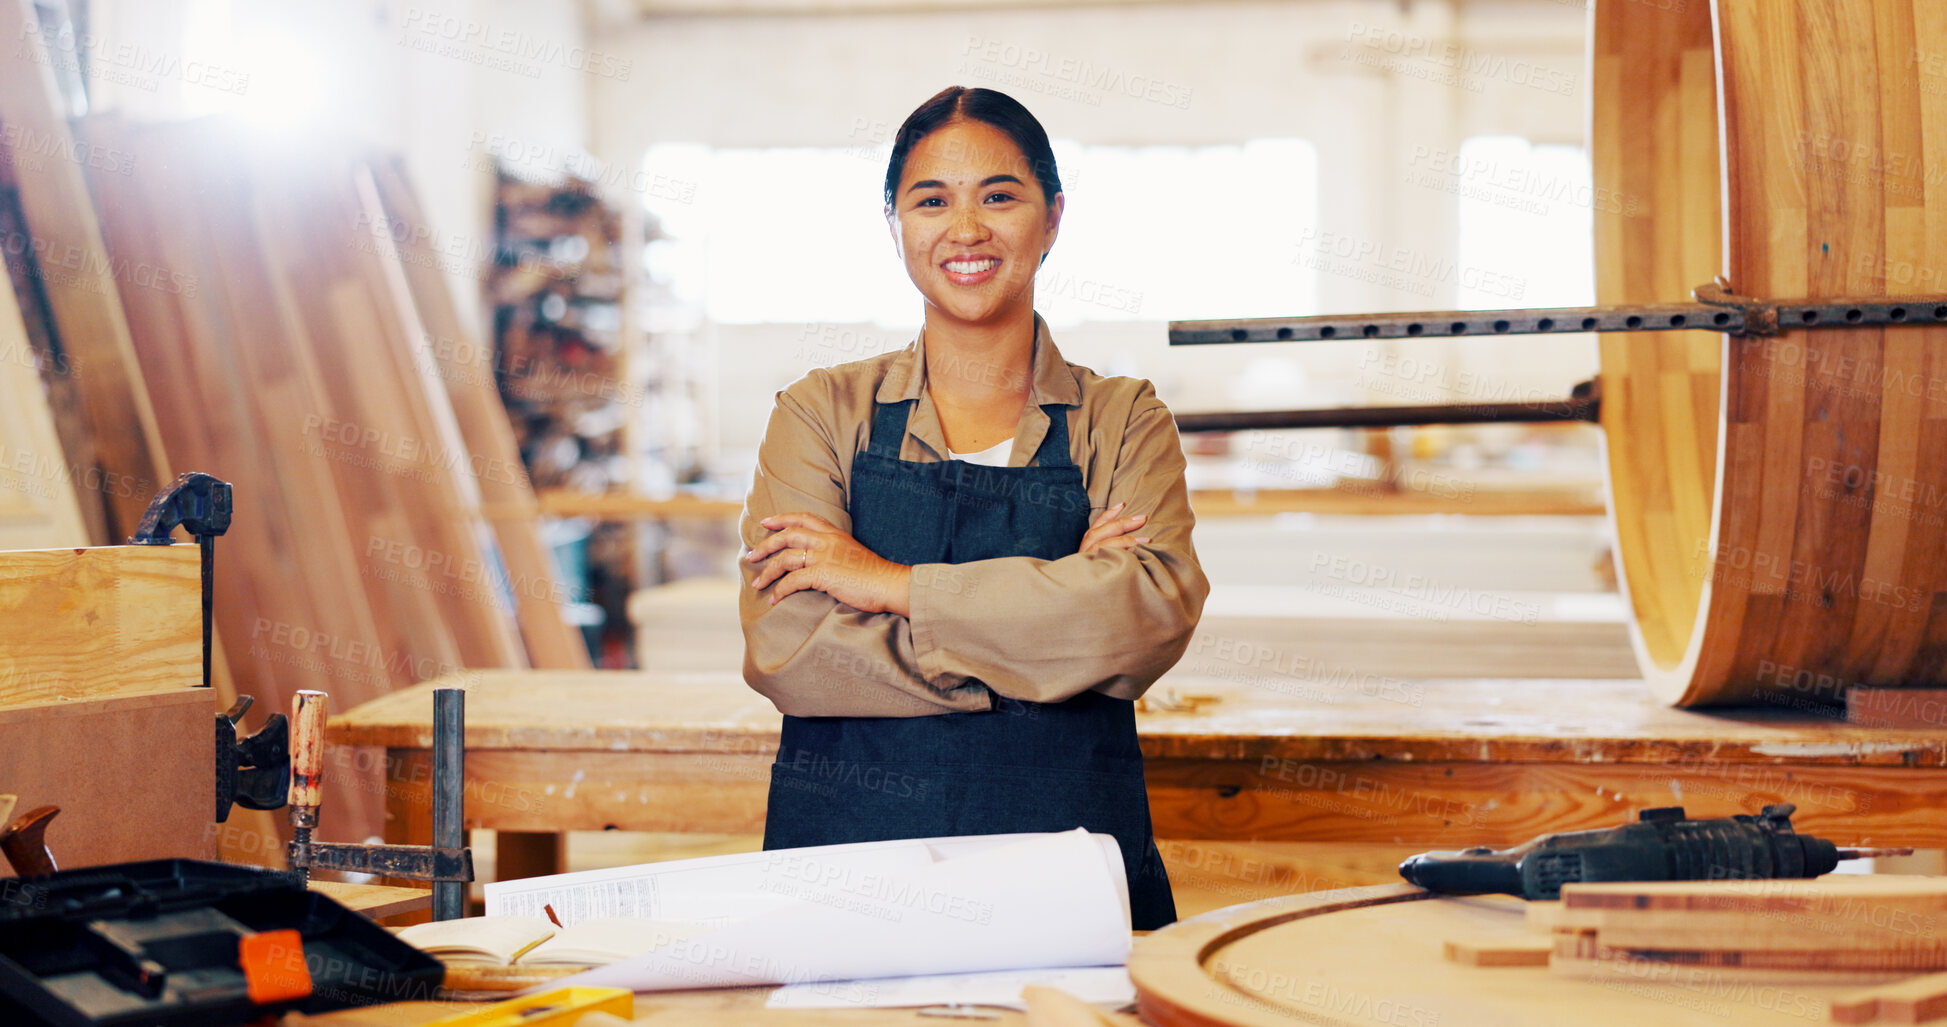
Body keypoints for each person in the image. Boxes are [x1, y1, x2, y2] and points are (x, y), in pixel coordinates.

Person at [738, 85, 1208, 929]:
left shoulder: (1123, 419)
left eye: (999, 195)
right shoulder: (818, 412)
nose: (965, 229)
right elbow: (791, 648)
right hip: (848, 870)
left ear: (1052, 216)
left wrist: (888, 585)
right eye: (930, 200)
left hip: (1069, 874)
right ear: (894, 225)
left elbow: (1141, 624)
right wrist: (1053, 635)